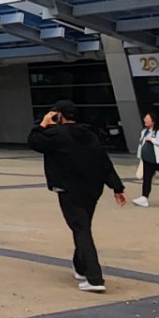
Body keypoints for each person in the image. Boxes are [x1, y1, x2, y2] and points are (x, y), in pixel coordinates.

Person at [28, 100, 127, 293]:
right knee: (82, 227)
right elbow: (103, 161)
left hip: (69, 190)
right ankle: (80, 267)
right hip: (92, 189)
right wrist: (117, 187)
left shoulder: (56, 134)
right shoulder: (89, 134)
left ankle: (95, 278)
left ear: (59, 115)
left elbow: (34, 142)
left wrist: (43, 123)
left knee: (81, 229)